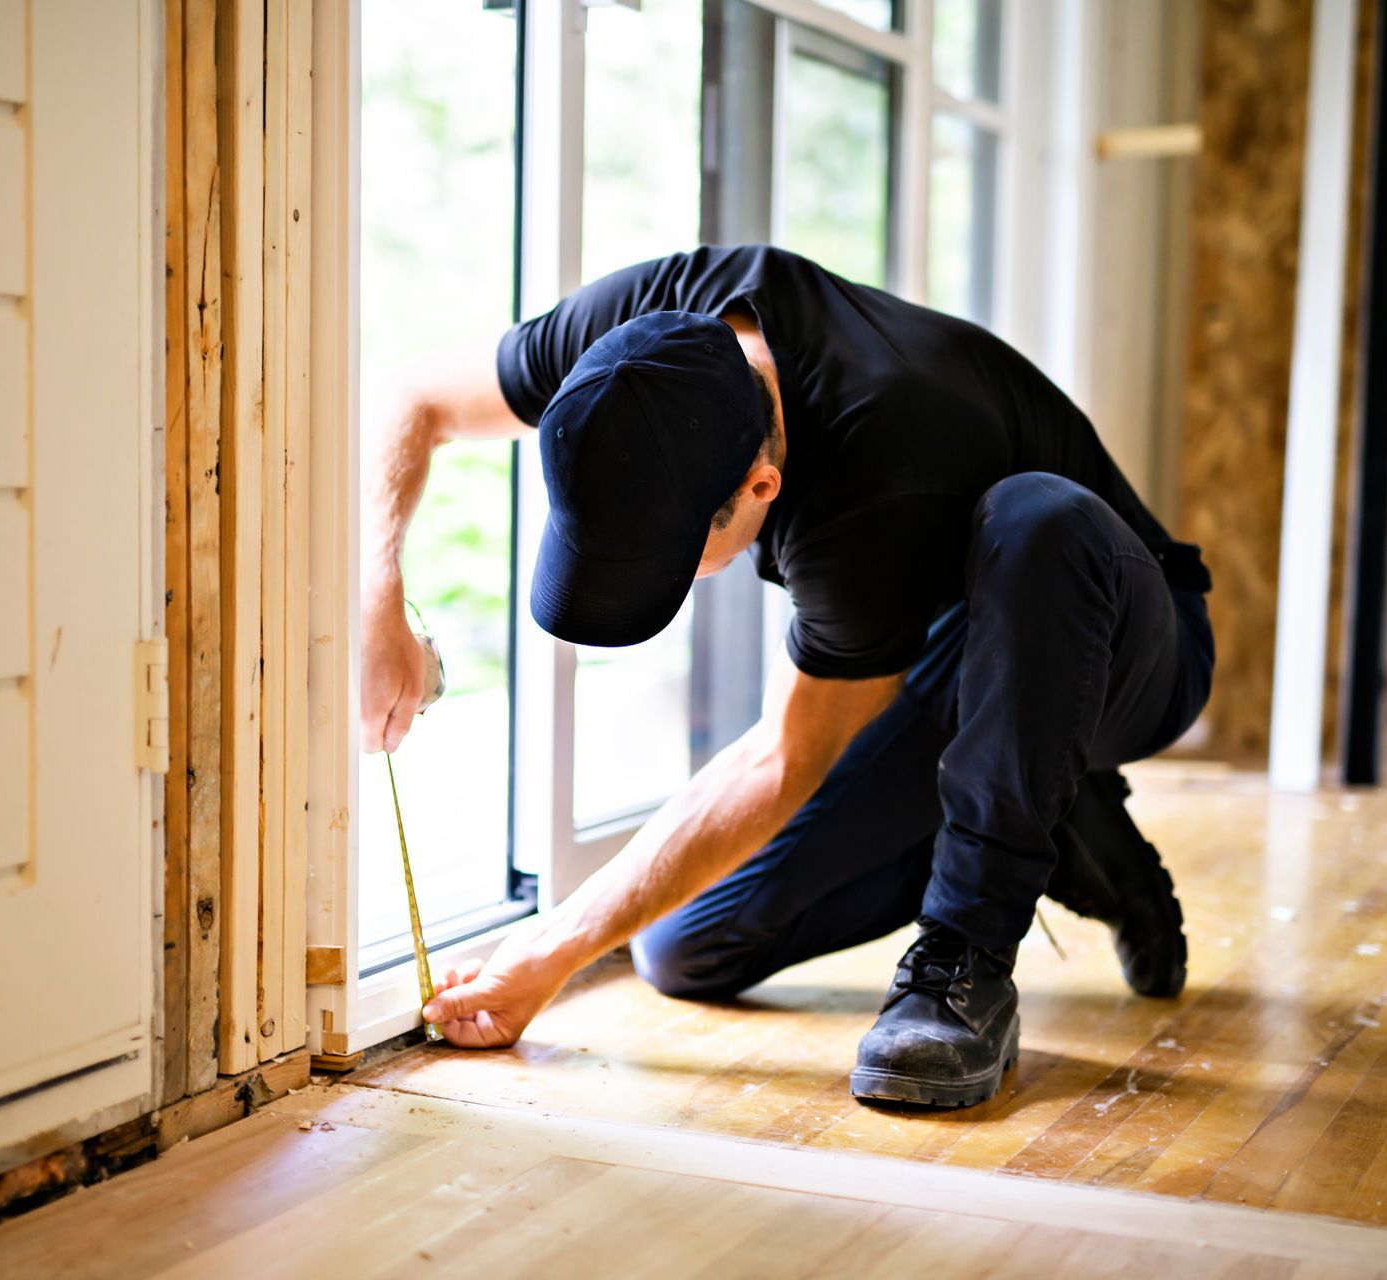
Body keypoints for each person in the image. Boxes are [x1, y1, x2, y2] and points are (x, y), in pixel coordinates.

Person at [360, 245, 1214, 1108]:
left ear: (763, 483)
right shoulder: (634, 351)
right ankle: (1055, 819)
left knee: (1037, 517)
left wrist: (548, 950)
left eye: (668, 562)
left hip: (1120, 641)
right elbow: (411, 396)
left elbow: (784, 757)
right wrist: (375, 596)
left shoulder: (874, 465)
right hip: (948, 650)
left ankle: (967, 961)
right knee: (685, 947)